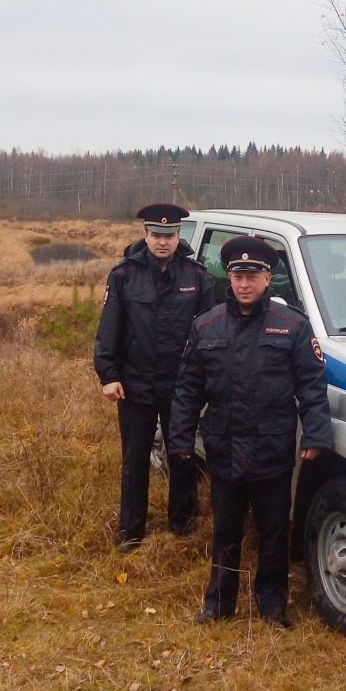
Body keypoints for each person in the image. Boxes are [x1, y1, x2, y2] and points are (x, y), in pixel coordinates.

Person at [169, 235, 333, 628]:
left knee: (274, 531)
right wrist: (180, 438)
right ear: (229, 278)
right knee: (225, 529)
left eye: (253, 274)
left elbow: (311, 384)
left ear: (266, 278)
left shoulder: (292, 326)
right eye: (237, 275)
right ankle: (219, 603)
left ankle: (273, 604)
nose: (244, 283)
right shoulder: (205, 325)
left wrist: (315, 434)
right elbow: (188, 388)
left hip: (272, 448)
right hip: (224, 447)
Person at [94, 203, 214, 552]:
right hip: (135, 384)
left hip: (180, 385)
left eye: (170, 235)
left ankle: (183, 524)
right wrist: (109, 375)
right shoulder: (123, 275)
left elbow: (207, 333)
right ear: (145, 235)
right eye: (157, 235)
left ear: (179, 237)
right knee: (135, 460)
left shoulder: (197, 277)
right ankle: (131, 531)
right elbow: (109, 330)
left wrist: (204, 379)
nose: (163, 242)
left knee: (182, 455)